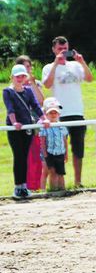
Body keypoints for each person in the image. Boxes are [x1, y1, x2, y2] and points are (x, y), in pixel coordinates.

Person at [42, 35, 93, 188]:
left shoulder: (76, 66)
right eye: (59, 49)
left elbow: (90, 78)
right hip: (57, 114)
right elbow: (47, 84)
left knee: (78, 150)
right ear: (53, 50)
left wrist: (82, 62)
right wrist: (56, 65)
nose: (63, 52)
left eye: (65, 49)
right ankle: (57, 184)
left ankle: (78, 182)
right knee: (56, 150)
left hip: (77, 111)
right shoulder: (48, 67)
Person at [4, 64, 43, 199]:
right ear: (12, 77)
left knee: (24, 157)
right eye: (17, 76)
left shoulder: (28, 90)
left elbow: (36, 106)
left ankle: (24, 186)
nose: (20, 78)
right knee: (18, 156)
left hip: (27, 128)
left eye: (22, 76)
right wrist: (14, 122)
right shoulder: (7, 91)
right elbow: (10, 109)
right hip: (15, 129)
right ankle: (18, 186)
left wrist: (44, 119)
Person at [14, 55, 45, 192]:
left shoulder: (36, 83)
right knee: (26, 156)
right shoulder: (14, 87)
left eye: (29, 66)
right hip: (23, 124)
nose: (29, 69)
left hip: (36, 123)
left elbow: (41, 101)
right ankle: (26, 185)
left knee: (38, 155)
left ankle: (37, 185)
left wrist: (32, 83)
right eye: (26, 66)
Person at [39, 98, 69, 192]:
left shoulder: (61, 126)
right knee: (52, 172)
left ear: (58, 114)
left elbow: (65, 141)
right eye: (50, 113)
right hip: (50, 152)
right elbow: (43, 142)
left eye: (55, 113)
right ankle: (53, 190)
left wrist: (66, 153)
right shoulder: (44, 127)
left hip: (60, 152)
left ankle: (62, 189)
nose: (53, 115)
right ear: (46, 115)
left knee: (61, 172)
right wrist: (45, 154)